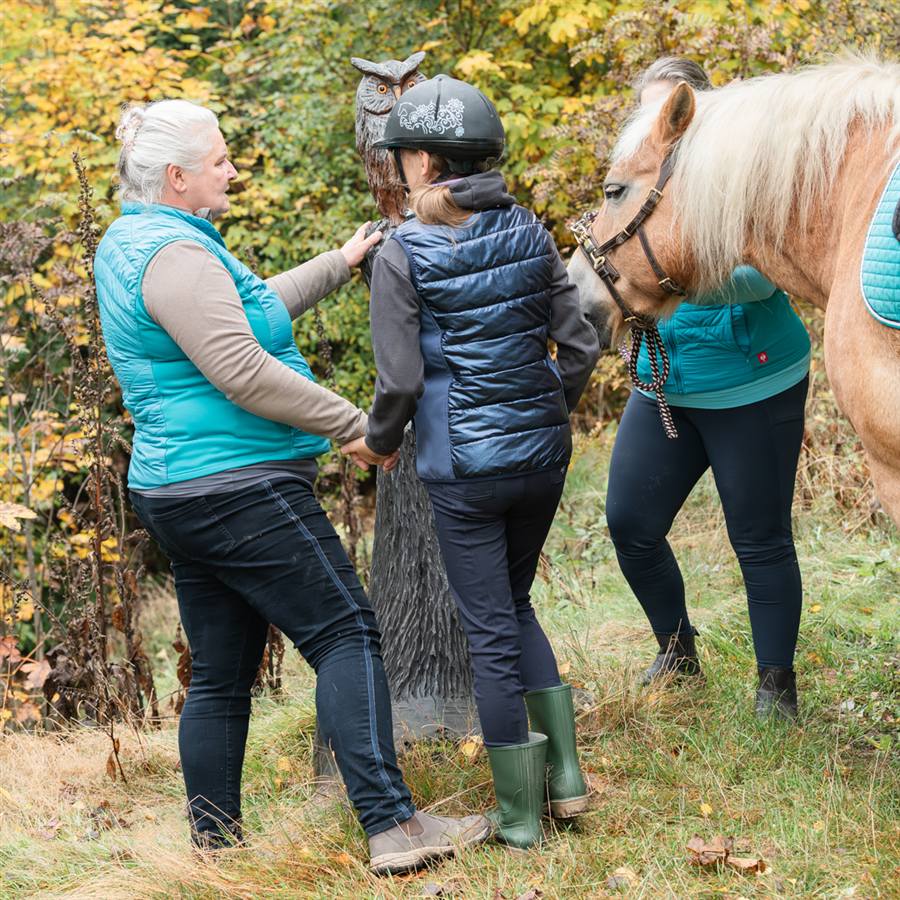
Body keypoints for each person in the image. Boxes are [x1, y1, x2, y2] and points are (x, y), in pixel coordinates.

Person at [94, 98, 491, 874]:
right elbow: (239, 366)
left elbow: (240, 316)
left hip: (181, 489)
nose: (232, 169)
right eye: (218, 161)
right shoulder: (174, 255)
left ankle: (213, 849)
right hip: (234, 487)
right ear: (176, 177)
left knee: (219, 674)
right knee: (346, 632)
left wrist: (339, 265)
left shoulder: (142, 240)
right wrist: (355, 427)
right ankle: (393, 826)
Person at [341, 75, 601, 849]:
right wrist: (544, 405)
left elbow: (402, 381)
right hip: (543, 457)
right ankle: (566, 783)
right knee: (514, 610)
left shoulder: (404, 252)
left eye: (406, 155)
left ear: (424, 160)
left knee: (487, 630)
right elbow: (582, 344)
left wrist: (379, 442)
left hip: (464, 468)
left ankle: (521, 818)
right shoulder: (529, 229)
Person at [604, 58, 812, 720]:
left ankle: (775, 685)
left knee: (760, 538)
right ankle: (678, 650)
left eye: (678, 115)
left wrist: (683, 271)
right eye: (653, 114)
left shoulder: (741, 177)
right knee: (629, 523)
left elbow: (772, 276)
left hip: (754, 382)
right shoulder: (645, 184)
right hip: (670, 384)